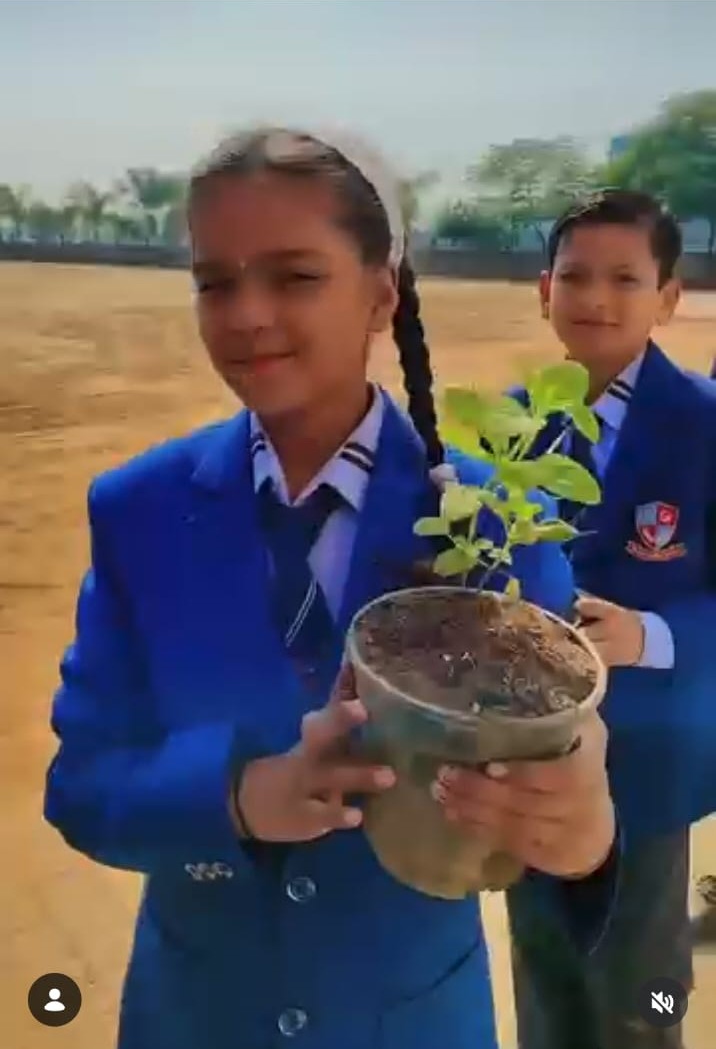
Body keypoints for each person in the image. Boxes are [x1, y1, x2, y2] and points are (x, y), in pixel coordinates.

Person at [43, 127, 617, 1049]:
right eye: (215, 282)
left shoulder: (495, 525)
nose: (246, 315)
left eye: (295, 276)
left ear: (382, 292)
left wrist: (582, 837)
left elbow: (557, 802)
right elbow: (83, 784)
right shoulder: (138, 510)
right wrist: (243, 794)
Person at [506, 188, 716, 1049]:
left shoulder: (704, 424)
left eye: (625, 279)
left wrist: (649, 636)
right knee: (546, 972)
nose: (595, 298)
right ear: (544, 290)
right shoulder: (514, 427)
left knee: (644, 985)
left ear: (668, 298)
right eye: (575, 276)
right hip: (530, 758)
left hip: (647, 767)